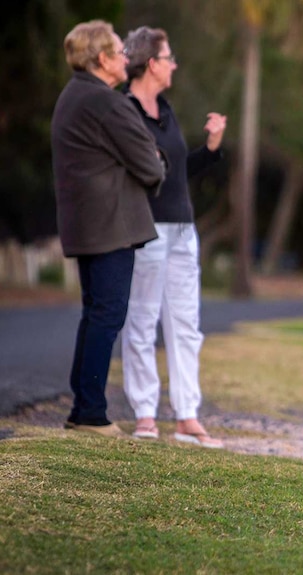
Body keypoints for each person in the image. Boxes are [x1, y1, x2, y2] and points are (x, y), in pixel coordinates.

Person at [51, 20, 165, 438]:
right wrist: (155, 158)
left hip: (85, 224)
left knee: (95, 312)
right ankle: (90, 414)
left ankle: (84, 406)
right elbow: (151, 166)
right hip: (111, 225)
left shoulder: (72, 97)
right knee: (108, 313)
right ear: (102, 59)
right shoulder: (108, 103)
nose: (125, 57)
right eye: (119, 51)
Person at [120, 26, 227, 448]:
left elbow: (177, 172)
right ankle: (145, 414)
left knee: (186, 326)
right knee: (142, 320)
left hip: (184, 229)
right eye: (169, 58)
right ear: (151, 64)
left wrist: (212, 148)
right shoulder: (125, 111)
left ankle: (187, 417)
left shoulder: (166, 109)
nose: (175, 65)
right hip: (147, 228)